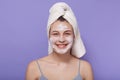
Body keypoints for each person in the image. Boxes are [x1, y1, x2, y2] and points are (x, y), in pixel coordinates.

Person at [26, 2, 93, 80]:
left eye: (67, 33)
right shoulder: (34, 68)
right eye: (55, 34)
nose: (61, 39)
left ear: (74, 36)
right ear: (49, 36)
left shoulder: (85, 68)